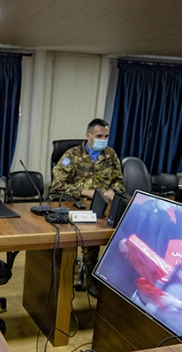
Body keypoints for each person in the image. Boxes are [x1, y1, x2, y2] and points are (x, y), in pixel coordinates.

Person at [50, 118, 125, 296]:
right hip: (76, 205)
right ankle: (63, 277)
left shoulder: (110, 155)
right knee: (76, 238)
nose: (103, 140)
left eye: (106, 136)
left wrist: (113, 192)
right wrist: (86, 191)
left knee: (102, 237)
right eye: (99, 136)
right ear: (88, 135)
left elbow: (119, 183)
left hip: (103, 206)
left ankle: (93, 275)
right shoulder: (72, 155)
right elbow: (57, 186)